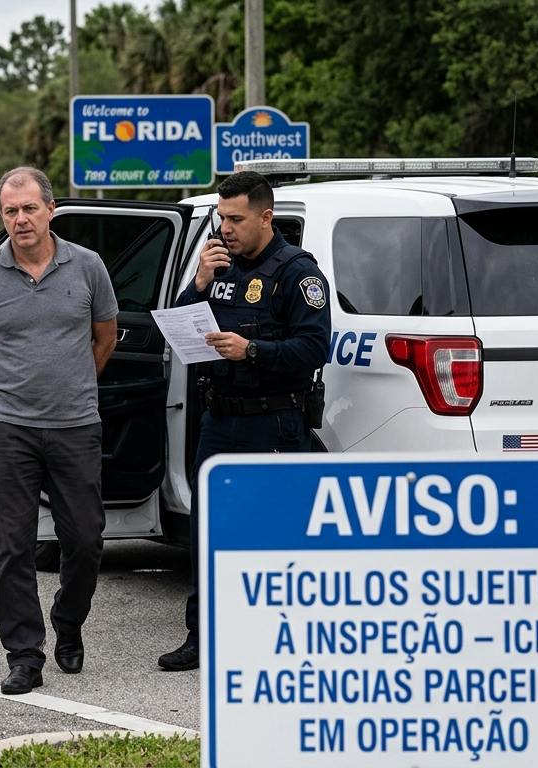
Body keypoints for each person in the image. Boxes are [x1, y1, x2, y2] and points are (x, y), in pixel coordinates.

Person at [158, 171, 332, 672]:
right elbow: (183, 329)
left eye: (235, 219)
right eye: (221, 218)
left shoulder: (298, 273)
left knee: (278, 533)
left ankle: (283, 643)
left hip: (273, 423)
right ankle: (202, 637)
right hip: (220, 421)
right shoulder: (219, 268)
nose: (226, 228)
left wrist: (251, 349)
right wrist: (198, 285)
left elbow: (314, 347)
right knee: (207, 531)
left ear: (265, 216)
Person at [0, 167, 118, 695]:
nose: (20, 220)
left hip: (75, 426)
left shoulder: (89, 267)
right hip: (9, 430)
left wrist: (70, 387)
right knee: (12, 546)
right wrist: (12, 394)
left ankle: (68, 624)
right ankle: (25, 655)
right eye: (10, 211)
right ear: (1, 216)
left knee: (85, 539)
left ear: (50, 209)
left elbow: (104, 337)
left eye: (29, 208)